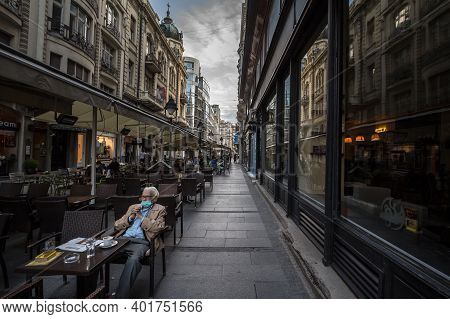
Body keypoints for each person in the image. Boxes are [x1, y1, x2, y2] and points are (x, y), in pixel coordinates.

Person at [111, 187, 167, 298]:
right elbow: (117, 225)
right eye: (142, 196)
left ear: (154, 198)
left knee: (133, 260)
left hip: (141, 242)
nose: (143, 199)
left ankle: (119, 298)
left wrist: (141, 218)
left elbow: (158, 228)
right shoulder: (132, 207)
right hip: (122, 239)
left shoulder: (160, 209)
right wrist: (130, 218)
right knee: (98, 253)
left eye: (147, 197)